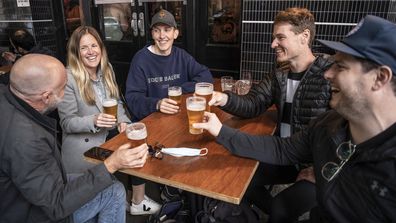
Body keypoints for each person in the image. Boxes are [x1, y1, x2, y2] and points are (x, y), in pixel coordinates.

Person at [195, 15, 396, 222]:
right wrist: (222, 115)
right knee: (238, 179)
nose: (329, 74)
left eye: (341, 66)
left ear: (380, 78)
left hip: (309, 163)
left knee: (281, 205)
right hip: (299, 156)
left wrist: (320, 169)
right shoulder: (327, 123)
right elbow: (278, 143)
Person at [209, 7, 332, 221]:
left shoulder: (329, 76)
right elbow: (253, 103)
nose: (273, 44)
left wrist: (324, 172)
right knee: (236, 180)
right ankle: (268, 211)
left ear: (304, 37)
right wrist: (224, 98)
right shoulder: (279, 73)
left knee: (281, 208)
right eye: (274, 38)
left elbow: (345, 134)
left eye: (280, 37)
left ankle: (276, 211)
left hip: (314, 165)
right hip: (283, 154)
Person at [0, 54, 149, 222]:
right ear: (46, 96)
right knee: (113, 190)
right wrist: (111, 164)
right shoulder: (27, 140)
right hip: (31, 213)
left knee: (108, 186)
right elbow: (56, 205)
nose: (65, 93)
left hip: (28, 190)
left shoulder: (7, 98)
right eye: (63, 88)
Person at [57, 26, 161, 215]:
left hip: (109, 135)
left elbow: (117, 103)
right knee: (112, 190)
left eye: (94, 45)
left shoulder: (107, 69)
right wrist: (94, 120)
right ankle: (122, 200)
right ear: (75, 52)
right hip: (84, 146)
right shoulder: (68, 77)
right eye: (84, 48)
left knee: (141, 146)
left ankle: (137, 199)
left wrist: (123, 122)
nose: (90, 52)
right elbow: (67, 122)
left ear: (101, 47)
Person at [125, 9, 213, 121]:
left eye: (167, 30)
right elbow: (133, 98)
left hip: (178, 116)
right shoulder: (141, 59)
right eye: (157, 30)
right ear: (152, 33)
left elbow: (205, 76)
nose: (162, 36)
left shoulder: (181, 55)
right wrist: (157, 104)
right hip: (152, 120)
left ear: (175, 33)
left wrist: (181, 89)